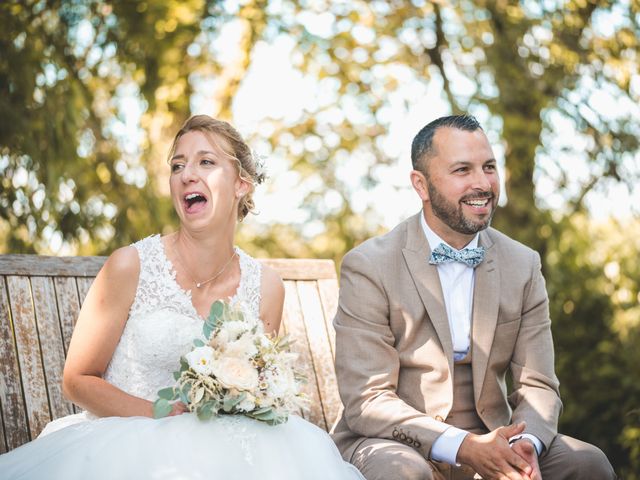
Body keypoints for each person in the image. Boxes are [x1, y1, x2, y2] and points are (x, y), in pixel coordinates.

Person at [0, 115, 364, 480]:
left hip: (227, 454)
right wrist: (161, 416)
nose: (187, 173)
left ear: (241, 185)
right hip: (128, 447)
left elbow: (259, 394)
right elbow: (77, 379)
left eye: (206, 161)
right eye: (178, 165)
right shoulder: (130, 266)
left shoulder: (267, 286)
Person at [331, 115, 616, 480]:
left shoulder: (523, 264)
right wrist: (463, 446)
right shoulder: (369, 265)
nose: (482, 184)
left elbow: (538, 384)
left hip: (497, 436)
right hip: (393, 441)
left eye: (489, 167)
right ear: (421, 184)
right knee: (401, 473)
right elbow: (367, 400)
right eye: (462, 170)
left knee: (588, 464)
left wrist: (525, 442)